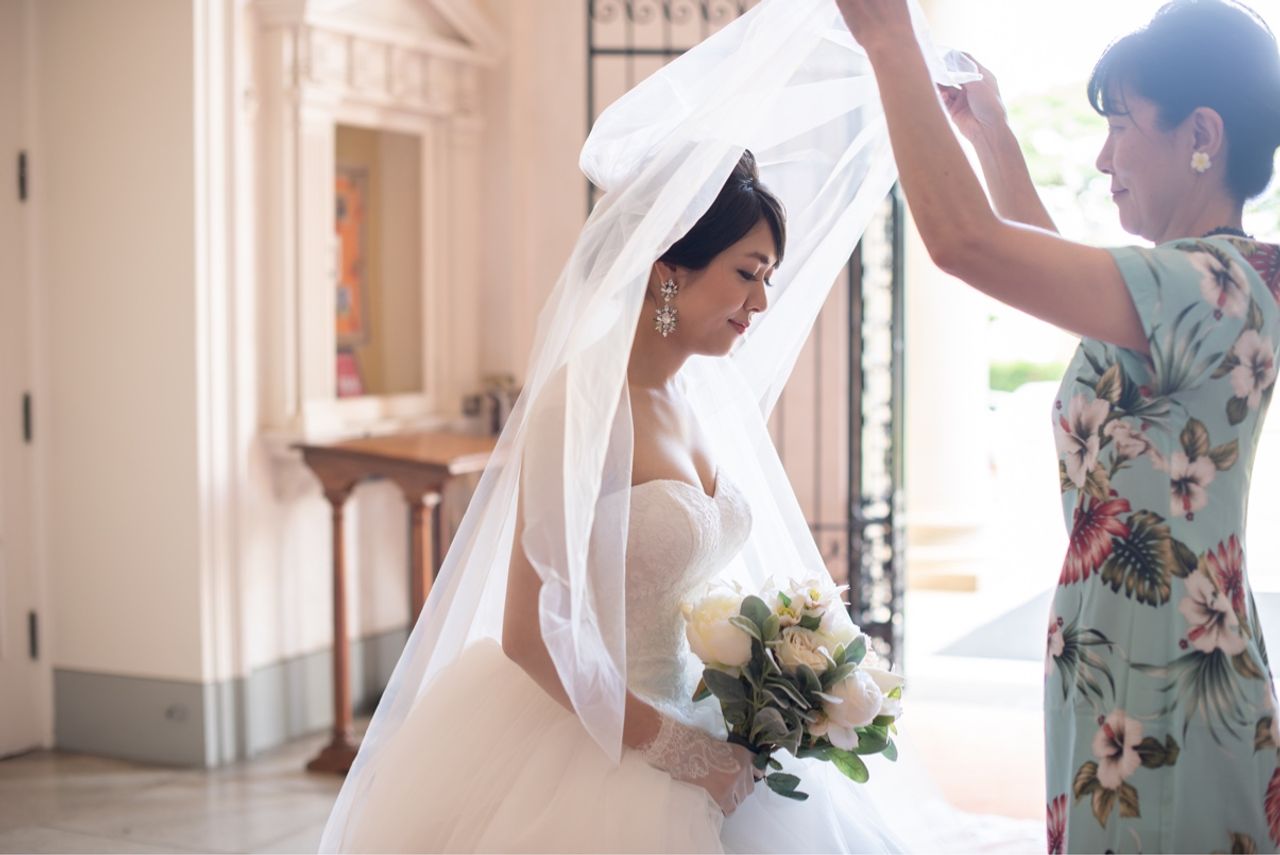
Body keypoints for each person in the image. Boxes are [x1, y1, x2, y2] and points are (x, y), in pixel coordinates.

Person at [319, 1, 1043, 852]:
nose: (762, 302)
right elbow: (530, 631)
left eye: (768, 277)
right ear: (668, 273)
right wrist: (676, 748)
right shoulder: (580, 404)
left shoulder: (698, 399)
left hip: (698, 714)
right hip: (589, 738)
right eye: (747, 272)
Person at [834, 0, 1280, 851]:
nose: (1105, 157)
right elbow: (1036, 262)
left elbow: (968, 243)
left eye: (1122, 125)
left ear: (1203, 134)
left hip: (1164, 680)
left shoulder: (1210, 286)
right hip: (1135, 655)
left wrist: (888, 39)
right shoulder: (1207, 283)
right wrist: (990, 133)